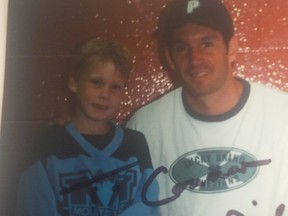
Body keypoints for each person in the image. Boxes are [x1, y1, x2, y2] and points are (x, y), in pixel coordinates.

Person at [126, 0, 288, 215]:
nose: (195, 59)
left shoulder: (282, 114)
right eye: (182, 47)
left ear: (231, 49)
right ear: (170, 58)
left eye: (206, 43)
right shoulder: (144, 126)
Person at [16, 38, 159, 216]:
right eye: (96, 82)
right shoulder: (47, 142)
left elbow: (147, 204)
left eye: (115, 87)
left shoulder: (135, 143)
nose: (105, 94)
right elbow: (33, 205)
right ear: (74, 82)